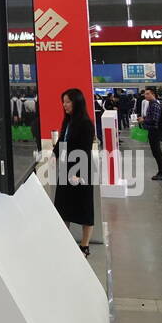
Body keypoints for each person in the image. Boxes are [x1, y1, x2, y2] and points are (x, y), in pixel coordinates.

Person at [53, 87, 97, 256]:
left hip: (81, 171)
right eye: (63, 102)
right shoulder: (67, 121)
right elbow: (61, 143)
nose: (65, 105)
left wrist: (78, 174)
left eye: (68, 102)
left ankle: (84, 246)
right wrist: (54, 157)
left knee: (85, 209)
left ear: (77, 102)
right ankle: (64, 241)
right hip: (66, 170)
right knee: (63, 208)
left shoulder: (85, 124)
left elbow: (85, 151)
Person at [138, 87, 162, 180]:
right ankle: (160, 171)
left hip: (155, 131)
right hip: (152, 130)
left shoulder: (154, 105)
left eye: (147, 94)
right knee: (155, 152)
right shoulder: (151, 104)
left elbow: (155, 119)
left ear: (153, 94)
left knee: (157, 152)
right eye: (145, 94)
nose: (145, 95)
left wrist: (144, 119)